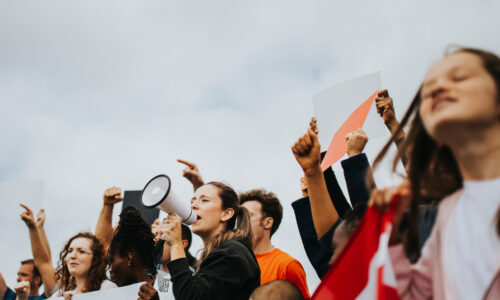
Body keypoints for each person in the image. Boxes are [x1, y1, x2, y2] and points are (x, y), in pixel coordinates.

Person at [371, 47, 500, 299]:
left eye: (459, 77)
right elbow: (415, 294)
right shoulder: (448, 214)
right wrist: (394, 237)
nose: (438, 88)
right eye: (429, 89)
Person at [161, 181, 260, 300]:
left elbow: (191, 297)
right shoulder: (225, 251)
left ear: (226, 214)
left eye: (204, 200)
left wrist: (176, 244)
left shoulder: (230, 254)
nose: (193, 206)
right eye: (192, 201)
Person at [19, 205, 115, 299]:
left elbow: (43, 262)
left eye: (81, 251)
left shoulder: (108, 288)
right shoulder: (61, 293)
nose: (72, 256)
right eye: (70, 251)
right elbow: (43, 262)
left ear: (95, 258)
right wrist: (22, 297)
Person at [239, 189, 310, 299]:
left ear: (267, 222)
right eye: (239, 216)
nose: (240, 221)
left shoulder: (287, 266)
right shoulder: (232, 262)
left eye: (248, 215)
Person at [107, 206, 157, 299]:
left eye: (111, 261)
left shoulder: (167, 286)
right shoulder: (113, 293)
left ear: (129, 258)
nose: (109, 269)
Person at [151, 221, 197, 300]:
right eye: (156, 235)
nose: (156, 240)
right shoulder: (148, 272)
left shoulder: (193, 283)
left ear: (182, 244)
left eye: (163, 236)